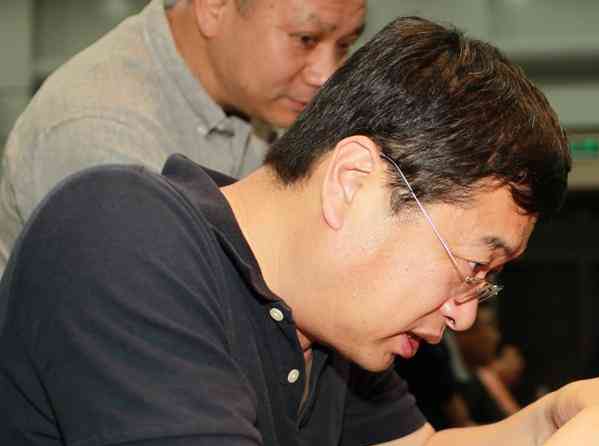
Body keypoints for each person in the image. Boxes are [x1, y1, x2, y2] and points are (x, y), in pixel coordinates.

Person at [0, 17, 599, 446]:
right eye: (471, 265)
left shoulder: (329, 322)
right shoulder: (119, 230)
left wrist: (555, 424)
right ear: (353, 183)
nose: (464, 313)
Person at [0, 0, 366, 273]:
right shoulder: (102, 133)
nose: (326, 74)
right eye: (306, 39)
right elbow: (156, 317)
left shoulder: (252, 94)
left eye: (345, 44)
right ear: (214, 7)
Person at [454, 304, 522, 423]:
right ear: (463, 334)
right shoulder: (457, 386)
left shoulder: (486, 374)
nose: (496, 337)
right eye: (488, 326)